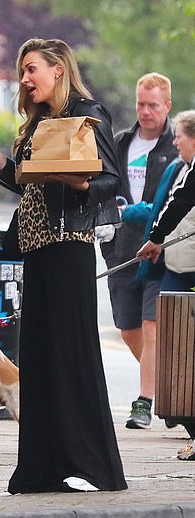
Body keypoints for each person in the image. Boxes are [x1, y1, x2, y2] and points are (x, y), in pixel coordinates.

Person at [0, 38, 127, 494]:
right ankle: (42, 468)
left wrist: (77, 180)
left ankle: (93, 467)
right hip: (36, 247)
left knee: (71, 355)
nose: (25, 79)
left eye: (31, 69)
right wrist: (0, 163)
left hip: (68, 247)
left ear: (57, 69)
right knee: (39, 358)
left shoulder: (88, 114)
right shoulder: (39, 122)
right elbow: (34, 184)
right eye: (22, 72)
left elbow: (109, 180)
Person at [100, 73, 177, 429]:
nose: (145, 112)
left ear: (168, 106)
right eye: (141, 104)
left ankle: (144, 401)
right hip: (121, 249)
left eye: (153, 105)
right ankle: (171, 389)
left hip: (161, 251)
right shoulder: (120, 142)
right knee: (127, 327)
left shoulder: (178, 147)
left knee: (151, 326)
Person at [137, 110, 195, 457]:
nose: (175, 142)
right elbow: (180, 201)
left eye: (181, 136)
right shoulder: (187, 171)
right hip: (178, 262)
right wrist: (157, 238)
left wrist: (156, 237)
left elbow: (182, 201)